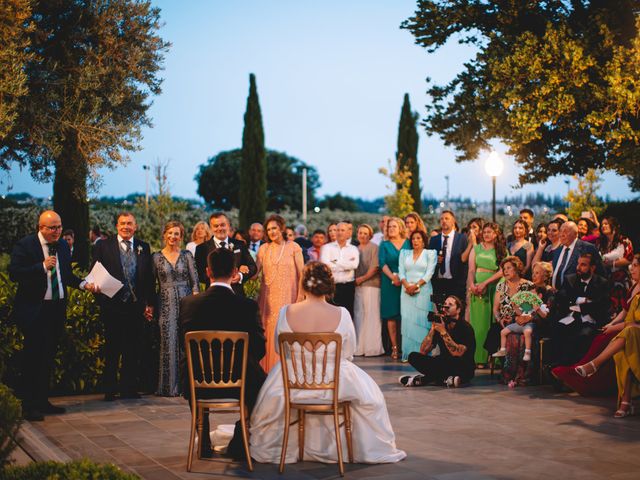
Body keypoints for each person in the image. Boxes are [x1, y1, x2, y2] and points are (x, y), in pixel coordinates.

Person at [249, 262, 407, 464]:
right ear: (330, 286)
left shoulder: (286, 312)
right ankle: (345, 448)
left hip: (293, 383)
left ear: (303, 284)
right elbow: (348, 352)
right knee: (371, 400)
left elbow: (280, 350)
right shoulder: (342, 314)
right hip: (333, 383)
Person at [179, 248, 266, 459]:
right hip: (241, 383)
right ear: (234, 272)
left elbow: (184, 345)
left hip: (199, 383)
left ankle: (204, 438)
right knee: (262, 382)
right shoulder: (246, 305)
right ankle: (241, 434)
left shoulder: (189, 303)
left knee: (188, 367)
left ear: (208, 272)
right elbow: (260, 348)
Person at [9, 211, 94, 421]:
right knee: (32, 359)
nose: (56, 231)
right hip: (35, 310)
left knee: (47, 357)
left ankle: (42, 401)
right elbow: (14, 273)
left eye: (59, 227)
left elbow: (67, 276)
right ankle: (27, 406)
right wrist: (41, 266)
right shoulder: (26, 245)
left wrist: (84, 284)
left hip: (56, 310)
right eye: (52, 228)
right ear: (41, 227)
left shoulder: (63, 246)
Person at [551, 255, 640, 397]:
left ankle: (584, 374)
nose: (631, 268)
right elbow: (624, 312)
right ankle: (570, 372)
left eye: (635, 265)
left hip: (629, 328)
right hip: (614, 324)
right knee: (562, 330)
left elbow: (605, 307)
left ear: (592, 267)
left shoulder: (602, 282)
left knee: (595, 338)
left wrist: (612, 326)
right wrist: (610, 324)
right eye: (632, 265)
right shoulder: (634, 285)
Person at [91, 212, 154, 401]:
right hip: (112, 306)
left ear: (135, 226)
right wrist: (99, 296)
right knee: (112, 349)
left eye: (130, 223)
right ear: (117, 226)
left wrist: (149, 303)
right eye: (122, 223)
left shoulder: (144, 246)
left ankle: (129, 388)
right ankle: (110, 389)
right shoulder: (103, 245)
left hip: (135, 306)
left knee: (132, 349)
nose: (126, 226)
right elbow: (94, 271)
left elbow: (149, 279)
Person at [152, 221, 199, 396]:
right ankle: (168, 387)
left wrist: (195, 305)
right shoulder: (156, 257)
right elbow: (151, 284)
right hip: (165, 304)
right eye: (170, 233)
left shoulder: (187, 255)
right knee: (168, 342)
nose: (173, 237)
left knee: (186, 344)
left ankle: (188, 387)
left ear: (181, 236)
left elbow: (195, 283)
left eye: (177, 234)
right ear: (164, 235)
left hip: (186, 303)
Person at [256, 214, 304, 372]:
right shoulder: (263, 249)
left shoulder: (294, 247)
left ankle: (288, 372)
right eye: (268, 229)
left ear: (282, 228)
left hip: (289, 298)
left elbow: (302, 273)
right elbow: (255, 273)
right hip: (267, 301)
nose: (271, 232)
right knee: (268, 333)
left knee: (286, 332)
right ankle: (268, 372)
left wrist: (300, 297)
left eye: (274, 228)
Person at [399, 295, 475, 387]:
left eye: (450, 305)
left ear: (458, 310)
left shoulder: (465, 327)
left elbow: (457, 353)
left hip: (462, 365)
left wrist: (443, 332)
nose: (446, 307)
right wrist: (433, 329)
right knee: (413, 356)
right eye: (445, 304)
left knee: (452, 362)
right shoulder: (441, 324)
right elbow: (423, 351)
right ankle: (446, 379)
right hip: (443, 363)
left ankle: (426, 379)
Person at [551, 253, 610, 366]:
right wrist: (583, 300)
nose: (578, 267)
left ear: (592, 268)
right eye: (578, 264)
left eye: (583, 265)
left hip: (590, 321)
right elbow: (562, 299)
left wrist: (578, 305)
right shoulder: (570, 279)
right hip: (570, 317)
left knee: (583, 336)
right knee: (558, 328)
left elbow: (601, 306)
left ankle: (577, 369)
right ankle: (558, 367)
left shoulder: (602, 283)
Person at [467, 222, 505, 366]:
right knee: (479, 324)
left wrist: (486, 283)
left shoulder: (501, 250)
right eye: (485, 232)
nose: (486, 234)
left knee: (493, 323)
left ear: (496, 234)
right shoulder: (476, 249)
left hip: (494, 286)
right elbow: (471, 269)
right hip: (477, 288)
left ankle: (494, 359)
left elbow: (503, 270)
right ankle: (479, 358)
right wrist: (472, 284)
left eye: (490, 232)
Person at [194, 212, 257, 295]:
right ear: (211, 228)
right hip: (213, 295)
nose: (220, 228)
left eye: (222, 225)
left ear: (228, 226)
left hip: (236, 295)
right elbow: (198, 273)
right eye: (216, 226)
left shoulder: (239, 244)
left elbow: (253, 267)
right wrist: (218, 279)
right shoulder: (201, 248)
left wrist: (240, 276)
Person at [398, 231, 437, 361]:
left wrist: (416, 286)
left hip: (423, 291)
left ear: (423, 240)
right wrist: (407, 285)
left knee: (422, 321)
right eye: (413, 238)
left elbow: (429, 273)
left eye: (418, 238)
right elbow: (401, 272)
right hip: (406, 291)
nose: (415, 241)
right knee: (408, 322)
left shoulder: (430, 254)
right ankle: (408, 354)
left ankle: (423, 353)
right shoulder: (404, 253)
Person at [491, 257, 535, 368]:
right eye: (504, 269)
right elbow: (495, 309)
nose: (505, 271)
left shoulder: (528, 285)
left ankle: (520, 368)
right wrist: (499, 319)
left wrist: (523, 317)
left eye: (509, 268)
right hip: (504, 321)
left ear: (516, 268)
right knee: (494, 331)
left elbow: (534, 307)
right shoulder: (501, 286)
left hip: (523, 320)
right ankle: (506, 366)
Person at [378, 217, 409, 359]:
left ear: (400, 228)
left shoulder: (408, 243)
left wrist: (403, 279)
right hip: (389, 282)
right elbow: (382, 263)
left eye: (394, 226)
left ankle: (407, 347)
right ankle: (395, 348)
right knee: (391, 316)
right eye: (389, 226)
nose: (391, 229)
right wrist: (393, 277)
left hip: (407, 282)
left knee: (406, 315)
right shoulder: (384, 245)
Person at [354, 224, 384, 356]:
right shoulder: (355, 249)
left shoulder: (374, 248)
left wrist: (362, 278)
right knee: (359, 315)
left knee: (372, 315)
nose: (362, 235)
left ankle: (373, 348)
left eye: (365, 233)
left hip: (371, 285)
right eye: (360, 233)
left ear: (370, 235)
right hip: (357, 286)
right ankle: (359, 347)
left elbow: (375, 267)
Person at [320, 221, 359, 318]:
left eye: (342, 230)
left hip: (348, 287)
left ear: (348, 233)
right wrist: (346, 264)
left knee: (347, 315)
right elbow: (325, 265)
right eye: (337, 230)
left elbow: (354, 265)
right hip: (331, 286)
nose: (339, 232)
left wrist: (334, 261)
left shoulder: (353, 249)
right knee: (330, 316)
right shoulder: (326, 248)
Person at [428, 210, 468, 302]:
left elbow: (465, 263)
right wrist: (434, 260)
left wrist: (463, 283)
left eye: (447, 218)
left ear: (453, 221)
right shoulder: (434, 240)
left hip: (456, 283)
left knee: (454, 313)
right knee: (439, 313)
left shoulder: (461, 238)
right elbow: (428, 261)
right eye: (441, 219)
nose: (444, 221)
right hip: (438, 283)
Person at [598, 216, 634, 317]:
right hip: (604, 278)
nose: (603, 226)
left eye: (606, 224)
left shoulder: (624, 241)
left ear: (613, 226)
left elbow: (628, 259)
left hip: (620, 279)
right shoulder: (600, 242)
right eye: (602, 224)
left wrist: (611, 263)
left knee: (620, 306)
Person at [551, 221, 602, 290]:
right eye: (560, 231)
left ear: (575, 234)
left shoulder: (587, 248)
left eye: (565, 231)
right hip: (556, 295)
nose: (561, 234)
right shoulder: (558, 251)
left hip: (578, 296)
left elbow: (600, 273)